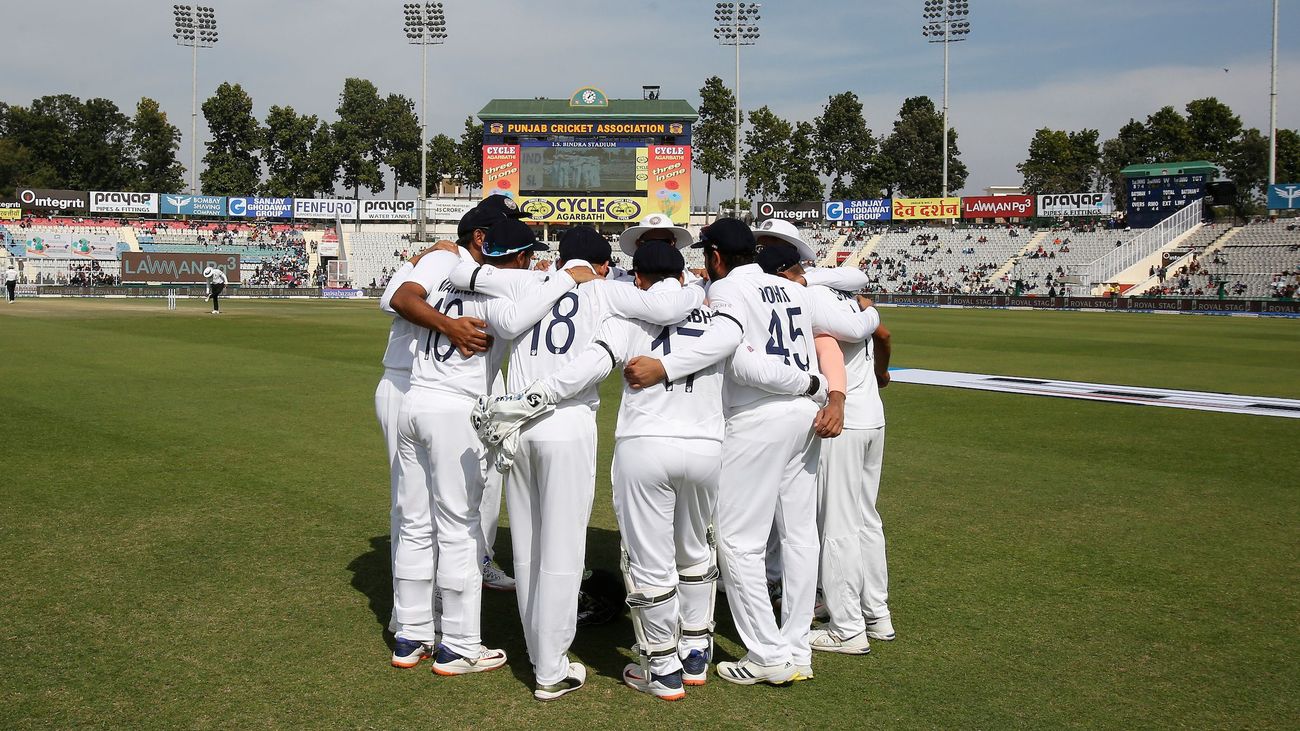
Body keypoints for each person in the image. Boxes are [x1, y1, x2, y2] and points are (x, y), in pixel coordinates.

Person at [480, 241, 825, 700]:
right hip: (705, 446)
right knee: (696, 548)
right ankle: (697, 652)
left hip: (643, 445)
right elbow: (743, 360)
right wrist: (814, 385)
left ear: (637, 278)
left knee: (647, 561)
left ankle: (662, 669)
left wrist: (532, 396)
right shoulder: (715, 317)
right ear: (683, 277)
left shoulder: (626, 318)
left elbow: (593, 364)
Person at [446, 226, 702, 701]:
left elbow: (465, 272)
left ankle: (538, 655)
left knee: (526, 549)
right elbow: (670, 307)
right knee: (562, 553)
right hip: (566, 419)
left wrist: (447, 253)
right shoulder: (607, 291)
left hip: (515, 422)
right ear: (603, 264)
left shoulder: (530, 281)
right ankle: (551, 669)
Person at [623, 218, 881, 685]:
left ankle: (766, 653)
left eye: (707, 255)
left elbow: (740, 364)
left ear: (717, 256)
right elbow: (853, 326)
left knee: (739, 541)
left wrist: (811, 384)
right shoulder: (796, 290)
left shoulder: (727, 292)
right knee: (799, 534)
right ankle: (796, 646)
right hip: (803, 417)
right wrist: (822, 391)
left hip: (760, 416)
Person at [387, 219, 597, 680]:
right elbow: (520, 318)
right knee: (461, 528)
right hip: (454, 411)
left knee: (416, 522)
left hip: (414, 400)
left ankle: (411, 634)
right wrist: (564, 277)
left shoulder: (443, 279)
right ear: (518, 257)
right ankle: (458, 646)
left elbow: (402, 298)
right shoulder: (507, 292)